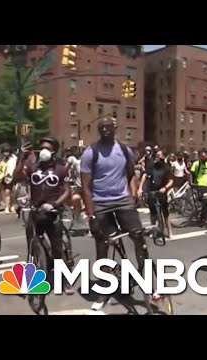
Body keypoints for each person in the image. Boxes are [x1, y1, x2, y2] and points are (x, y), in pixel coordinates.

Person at [80, 117, 144, 310]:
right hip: (100, 203)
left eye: (109, 127)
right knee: (103, 244)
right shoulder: (90, 153)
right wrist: (91, 215)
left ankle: (145, 279)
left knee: (139, 236)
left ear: (115, 128)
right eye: (102, 127)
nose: (105, 130)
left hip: (123, 200)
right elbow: (86, 186)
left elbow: (131, 173)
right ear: (98, 130)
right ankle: (103, 290)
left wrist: (133, 195)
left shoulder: (124, 150)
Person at [13, 137, 73, 295]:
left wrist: (55, 204)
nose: (44, 150)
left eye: (47, 147)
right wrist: (22, 156)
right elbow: (17, 177)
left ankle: (65, 282)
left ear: (54, 151)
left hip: (53, 213)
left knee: (57, 250)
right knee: (32, 246)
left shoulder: (61, 169)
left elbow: (67, 191)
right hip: (35, 211)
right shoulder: (32, 166)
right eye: (42, 147)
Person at [138, 149, 174, 239]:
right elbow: (145, 175)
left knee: (165, 213)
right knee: (153, 213)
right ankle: (153, 230)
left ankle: (170, 232)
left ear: (163, 157)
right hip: (152, 191)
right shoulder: (152, 166)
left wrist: (165, 188)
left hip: (161, 192)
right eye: (156, 155)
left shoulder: (166, 167)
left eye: (159, 155)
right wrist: (140, 188)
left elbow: (171, 180)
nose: (157, 157)